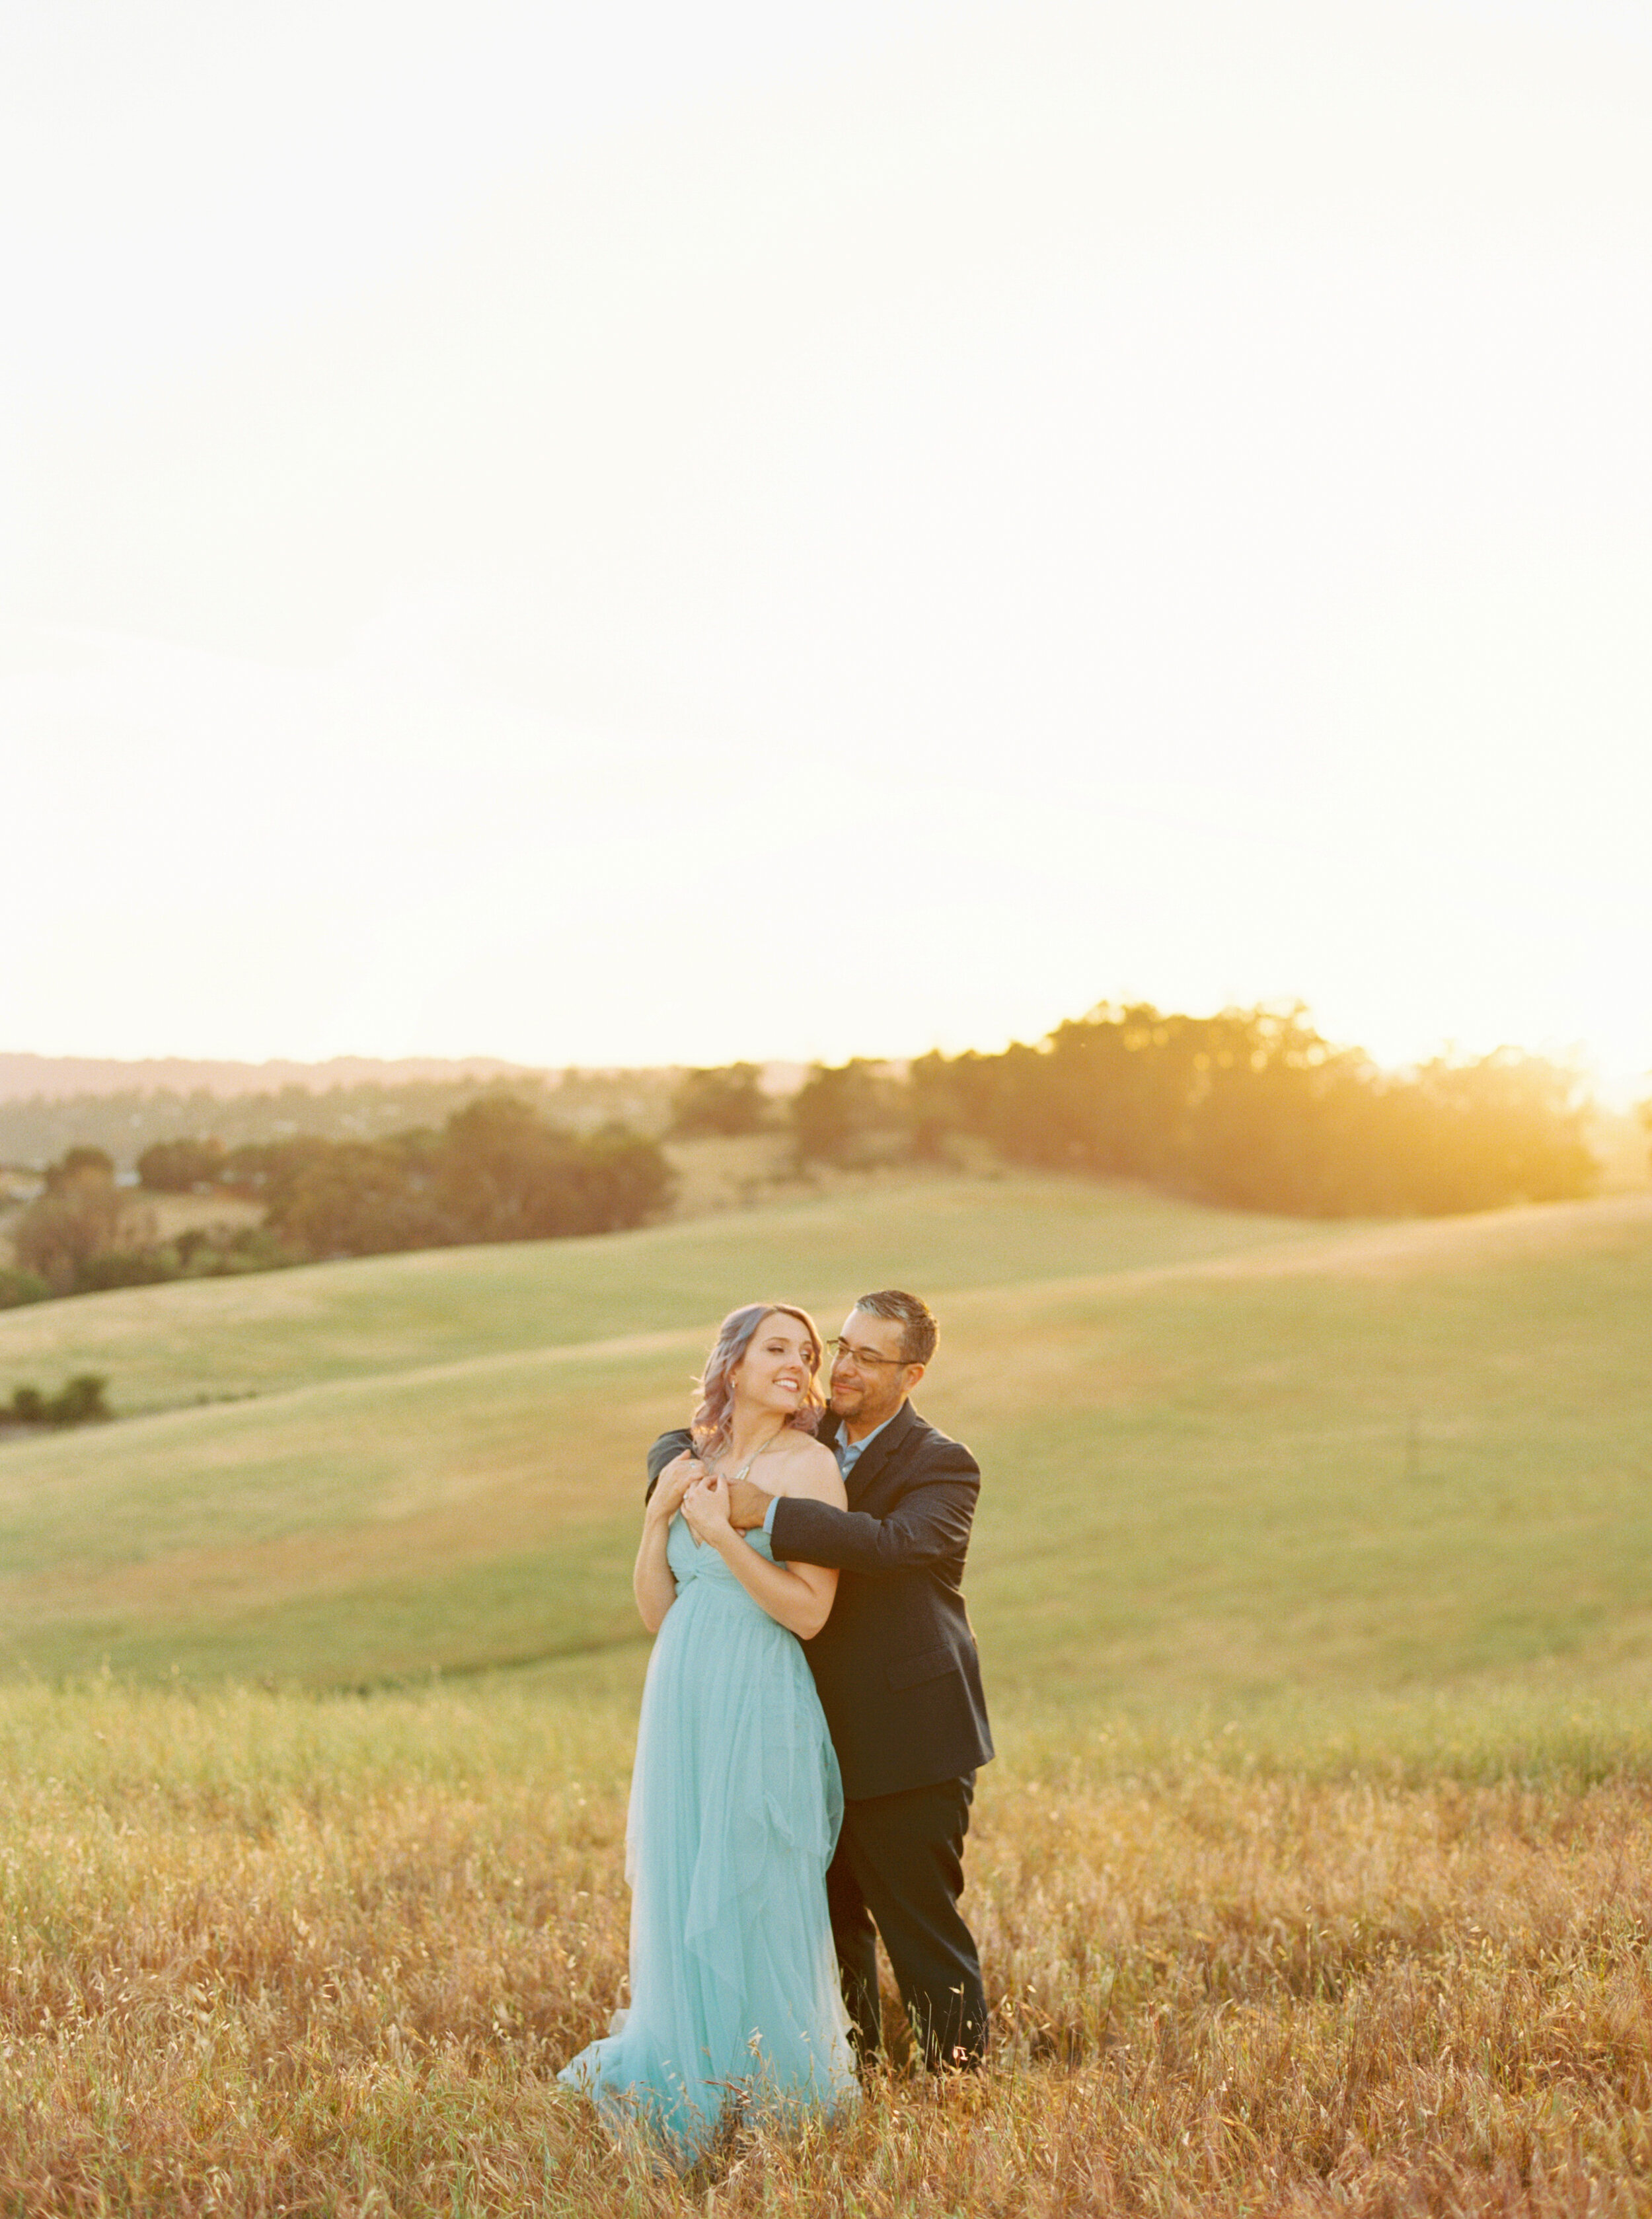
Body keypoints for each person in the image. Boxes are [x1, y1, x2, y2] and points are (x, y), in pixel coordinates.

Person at [647, 1288, 993, 2072]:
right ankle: (851, 2075)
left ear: (914, 1374)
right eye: (841, 1346)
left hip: (908, 1742)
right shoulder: (804, 1429)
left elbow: (892, 1543)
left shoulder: (943, 1464)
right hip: (798, 1735)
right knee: (823, 1927)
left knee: (921, 1928)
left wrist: (758, 1510)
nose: (840, 1367)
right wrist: (671, 1485)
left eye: (868, 1357)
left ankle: (962, 2089)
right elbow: (692, 1437)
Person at [559, 1303, 858, 2163]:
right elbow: (659, 1610)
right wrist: (658, 1519)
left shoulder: (810, 1465)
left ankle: (772, 2087)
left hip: (759, 1691)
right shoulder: (696, 1457)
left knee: (753, 1876)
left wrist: (725, 1536)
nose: (799, 1362)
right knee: (682, 1866)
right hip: (683, 1688)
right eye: (778, 1347)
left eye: (807, 1352)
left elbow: (809, 1612)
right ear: (732, 1362)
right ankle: (689, 2065)